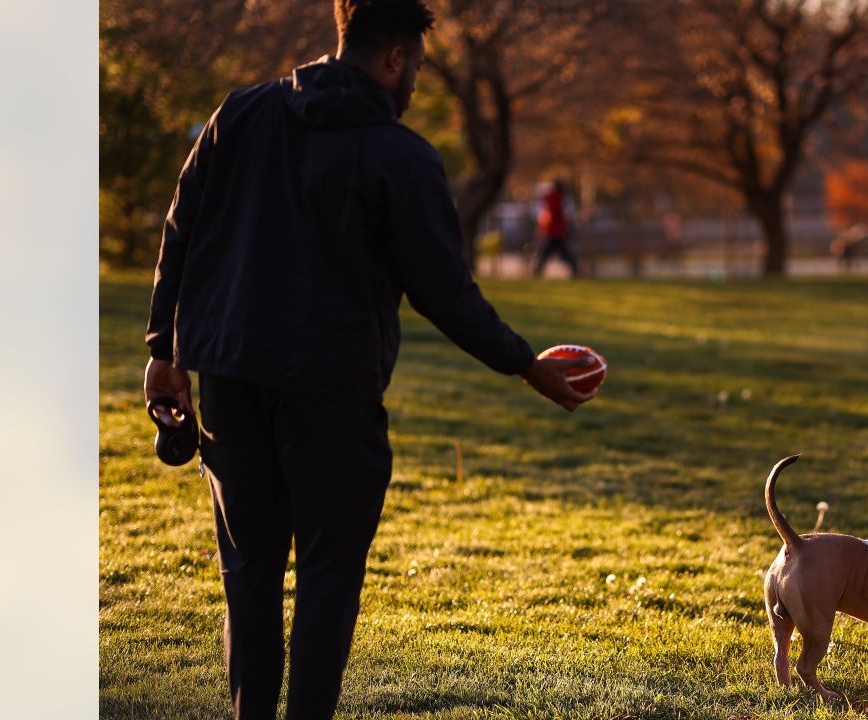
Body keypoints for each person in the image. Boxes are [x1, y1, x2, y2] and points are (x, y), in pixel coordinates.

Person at [142, 2, 595, 718]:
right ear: (393, 60)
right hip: (333, 395)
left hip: (228, 378)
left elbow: (181, 225)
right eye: (415, 68)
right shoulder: (401, 157)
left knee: (250, 573)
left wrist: (163, 350)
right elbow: (444, 292)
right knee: (328, 577)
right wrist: (525, 364)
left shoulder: (241, 114)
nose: (414, 83)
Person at [533, 179, 580, 277]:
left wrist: (541, 227)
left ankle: (537, 271)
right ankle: (575, 270)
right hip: (558, 231)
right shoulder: (562, 199)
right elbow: (567, 215)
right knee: (563, 253)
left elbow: (543, 215)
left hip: (549, 231)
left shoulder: (548, 198)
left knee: (546, 253)